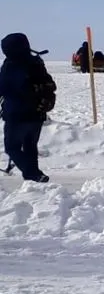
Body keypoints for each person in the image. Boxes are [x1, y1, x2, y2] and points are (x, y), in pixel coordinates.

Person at [1, 32, 53, 183]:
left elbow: (3, 87)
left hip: (16, 114)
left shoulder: (10, 65)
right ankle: (34, 178)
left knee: (12, 147)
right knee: (30, 146)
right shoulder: (36, 61)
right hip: (37, 113)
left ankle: (33, 174)